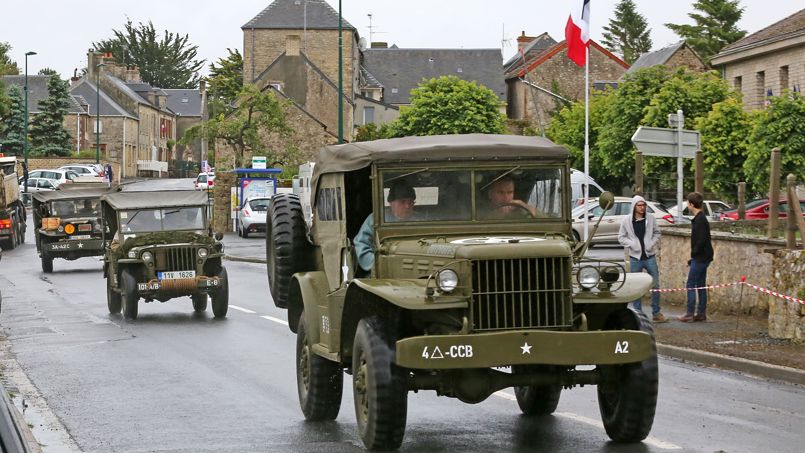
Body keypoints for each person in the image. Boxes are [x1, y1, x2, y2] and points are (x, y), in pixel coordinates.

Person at [618, 195, 667, 323]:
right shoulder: (627, 221)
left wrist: (651, 243)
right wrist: (632, 244)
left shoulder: (650, 219)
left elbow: (657, 233)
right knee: (636, 287)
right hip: (635, 257)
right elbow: (621, 237)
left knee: (655, 284)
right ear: (634, 206)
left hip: (649, 256)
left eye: (643, 205)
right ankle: (638, 314)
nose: (642, 208)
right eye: (639, 205)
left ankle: (656, 312)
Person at [354, 180, 419, 273]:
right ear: (391, 203)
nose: (407, 206)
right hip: (384, 273)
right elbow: (362, 244)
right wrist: (378, 265)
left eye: (411, 202)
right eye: (402, 202)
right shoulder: (376, 219)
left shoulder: (421, 220)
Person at [679, 192, 714, 322]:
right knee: (700, 284)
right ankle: (701, 313)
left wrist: (693, 254)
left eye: (688, 202)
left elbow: (701, 240)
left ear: (691, 204)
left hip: (700, 257)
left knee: (691, 284)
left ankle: (690, 312)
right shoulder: (701, 218)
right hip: (704, 256)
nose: (687, 205)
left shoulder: (700, 220)